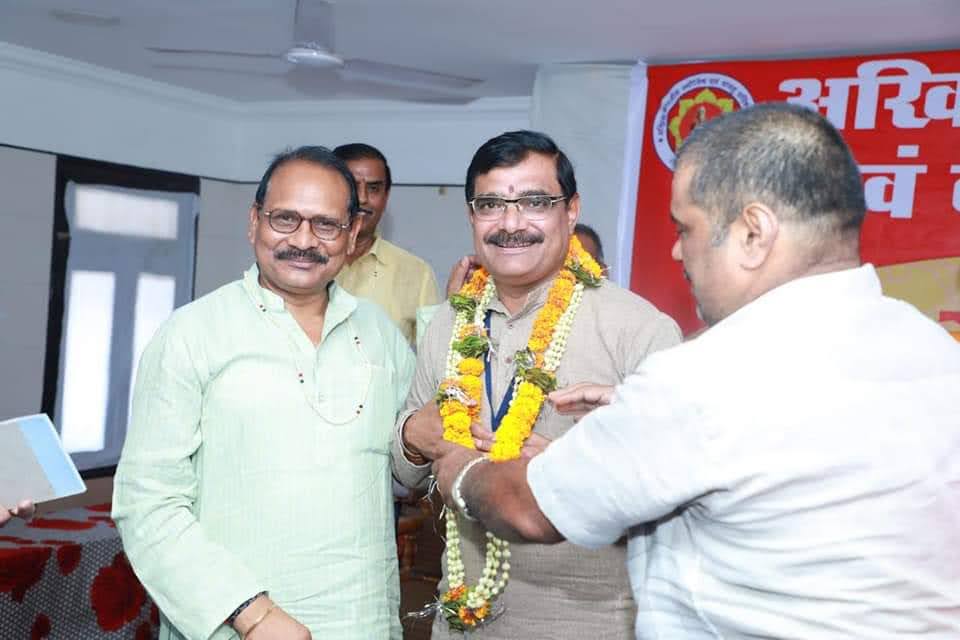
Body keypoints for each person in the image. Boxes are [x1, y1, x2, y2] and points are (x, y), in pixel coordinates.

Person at [431, 104, 960, 638]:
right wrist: (634, 414)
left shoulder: (701, 380)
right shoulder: (936, 354)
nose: (677, 250)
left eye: (686, 228)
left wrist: (462, 470)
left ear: (753, 232)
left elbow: (528, 509)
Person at [113, 146, 415, 640]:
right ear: (254, 222)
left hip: (363, 620)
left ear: (352, 233)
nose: (304, 240)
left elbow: (410, 469)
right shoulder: (192, 333)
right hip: (233, 623)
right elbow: (147, 503)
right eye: (285, 219)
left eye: (326, 225)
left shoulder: (379, 333)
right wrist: (250, 614)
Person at [393, 130, 681, 639]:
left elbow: (677, 501)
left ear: (571, 211)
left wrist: (575, 472)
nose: (511, 224)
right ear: (471, 215)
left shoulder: (638, 329)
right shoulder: (450, 322)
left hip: (587, 625)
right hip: (460, 619)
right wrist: (412, 439)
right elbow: (405, 477)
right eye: (491, 205)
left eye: (534, 202)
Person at [333, 143, 440, 346]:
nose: (362, 198)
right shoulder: (303, 262)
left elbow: (434, 356)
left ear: (386, 196)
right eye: (352, 187)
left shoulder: (417, 273)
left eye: (373, 188)